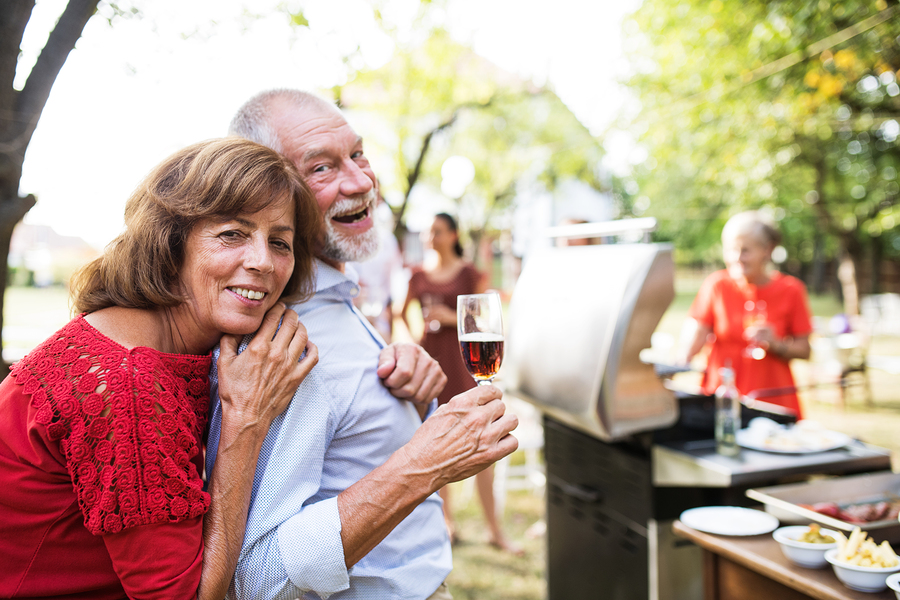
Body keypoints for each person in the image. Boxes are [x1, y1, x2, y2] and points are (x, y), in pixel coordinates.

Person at [211, 88, 519, 599]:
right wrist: (424, 463)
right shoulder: (283, 346)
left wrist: (410, 392)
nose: (361, 180)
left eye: (356, 154)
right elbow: (257, 577)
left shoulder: (336, 297)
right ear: (266, 192)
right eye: (322, 169)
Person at [0, 137, 322, 599]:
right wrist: (246, 421)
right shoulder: (128, 383)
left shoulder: (152, 343)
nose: (262, 262)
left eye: (280, 243)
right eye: (232, 234)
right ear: (171, 242)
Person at [402, 213, 522, 554]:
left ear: (453, 234)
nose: (430, 237)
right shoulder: (417, 274)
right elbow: (400, 312)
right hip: (432, 363)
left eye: (437, 230)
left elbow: (484, 317)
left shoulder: (468, 273)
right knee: (436, 438)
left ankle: (494, 528)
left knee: (484, 437)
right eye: (428, 231)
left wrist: (449, 318)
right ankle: (448, 523)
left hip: (464, 363)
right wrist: (415, 337)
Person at [678, 210, 812, 416]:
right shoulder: (717, 285)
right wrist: (681, 358)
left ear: (767, 250)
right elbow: (696, 331)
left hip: (772, 401)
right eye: (730, 250)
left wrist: (775, 343)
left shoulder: (791, 290)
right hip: (721, 398)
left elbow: (805, 350)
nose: (735, 258)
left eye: (744, 250)